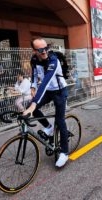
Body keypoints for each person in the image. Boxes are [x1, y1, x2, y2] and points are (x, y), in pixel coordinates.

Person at [23, 37, 69, 168]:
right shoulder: (34, 59)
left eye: (46, 48)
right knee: (32, 107)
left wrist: (33, 104)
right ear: (34, 51)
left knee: (60, 121)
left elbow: (45, 82)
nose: (44, 51)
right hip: (48, 91)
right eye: (40, 49)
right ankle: (48, 127)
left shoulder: (53, 60)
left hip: (60, 91)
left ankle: (64, 153)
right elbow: (34, 75)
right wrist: (32, 86)